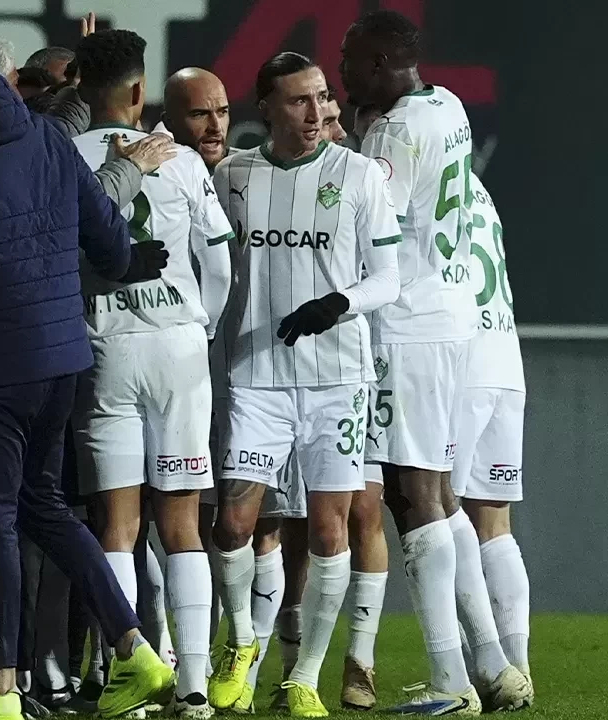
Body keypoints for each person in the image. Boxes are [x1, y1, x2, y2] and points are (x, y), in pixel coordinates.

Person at [0, 5, 173, 720]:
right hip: (62, 360)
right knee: (44, 507)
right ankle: (136, 650)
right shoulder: (48, 140)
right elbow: (110, 249)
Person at [341, 10, 535, 714]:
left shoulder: (393, 131)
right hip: (455, 321)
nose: (342, 71)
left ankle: (452, 680)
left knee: (412, 495)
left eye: (351, 59)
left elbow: (372, 226)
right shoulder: (446, 104)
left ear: (380, 62)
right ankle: (493, 664)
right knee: (441, 493)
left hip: (409, 324)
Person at [208, 52, 402, 718]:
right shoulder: (233, 176)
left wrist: (338, 304)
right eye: (299, 100)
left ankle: (306, 677)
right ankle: (241, 642)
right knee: (233, 522)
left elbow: (388, 277)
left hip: (337, 379)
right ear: (266, 106)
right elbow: (213, 268)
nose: (317, 112)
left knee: (327, 529)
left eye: (322, 97)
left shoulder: (358, 175)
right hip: (255, 377)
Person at [70, 29, 233, 720]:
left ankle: (128, 681)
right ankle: (193, 685)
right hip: (177, 348)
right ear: (141, 89)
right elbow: (218, 261)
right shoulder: (183, 161)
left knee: (117, 523)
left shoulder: (66, 156)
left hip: (104, 344)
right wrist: (203, 326)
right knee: (182, 523)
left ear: (81, 88)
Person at [453, 173, 534, 705]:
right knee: (494, 524)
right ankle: (518, 668)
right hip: (505, 358)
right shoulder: (476, 184)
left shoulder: (407, 171)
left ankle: (478, 669)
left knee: (437, 514)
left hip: (460, 362)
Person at [160, 68, 230, 172]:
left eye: (222, 112)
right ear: (169, 122)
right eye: (200, 114)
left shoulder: (248, 170)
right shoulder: (157, 174)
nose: (216, 127)